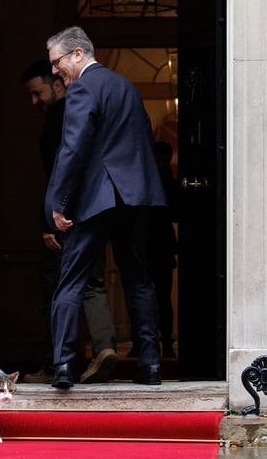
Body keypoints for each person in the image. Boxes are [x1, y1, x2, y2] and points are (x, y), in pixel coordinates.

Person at [45, 26, 167, 388]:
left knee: (71, 280)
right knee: (139, 279)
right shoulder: (127, 87)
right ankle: (150, 365)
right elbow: (143, 138)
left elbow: (74, 146)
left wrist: (59, 202)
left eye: (57, 62)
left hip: (97, 199)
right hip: (135, 198)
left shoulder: (84, 85)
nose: (54, 71)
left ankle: (64, 365)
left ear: (78, 54)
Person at [21, 60, 118, 385]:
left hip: (65, 217)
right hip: (94, 209)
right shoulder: (88, 112)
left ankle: (58, 363)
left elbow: (56, 175)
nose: (35, 102)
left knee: (60, 286)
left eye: (38, 93)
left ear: (57, 85)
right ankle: (104, 347)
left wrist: (49, 220)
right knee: (93, 282)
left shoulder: (59, 120)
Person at [128, 140, 179, 359]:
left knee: (153, 296)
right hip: (150, 244)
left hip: (155, 244)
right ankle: (150, 343)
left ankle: (162, 342)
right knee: (148, 295)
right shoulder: (159, 182)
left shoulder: (157, 182)